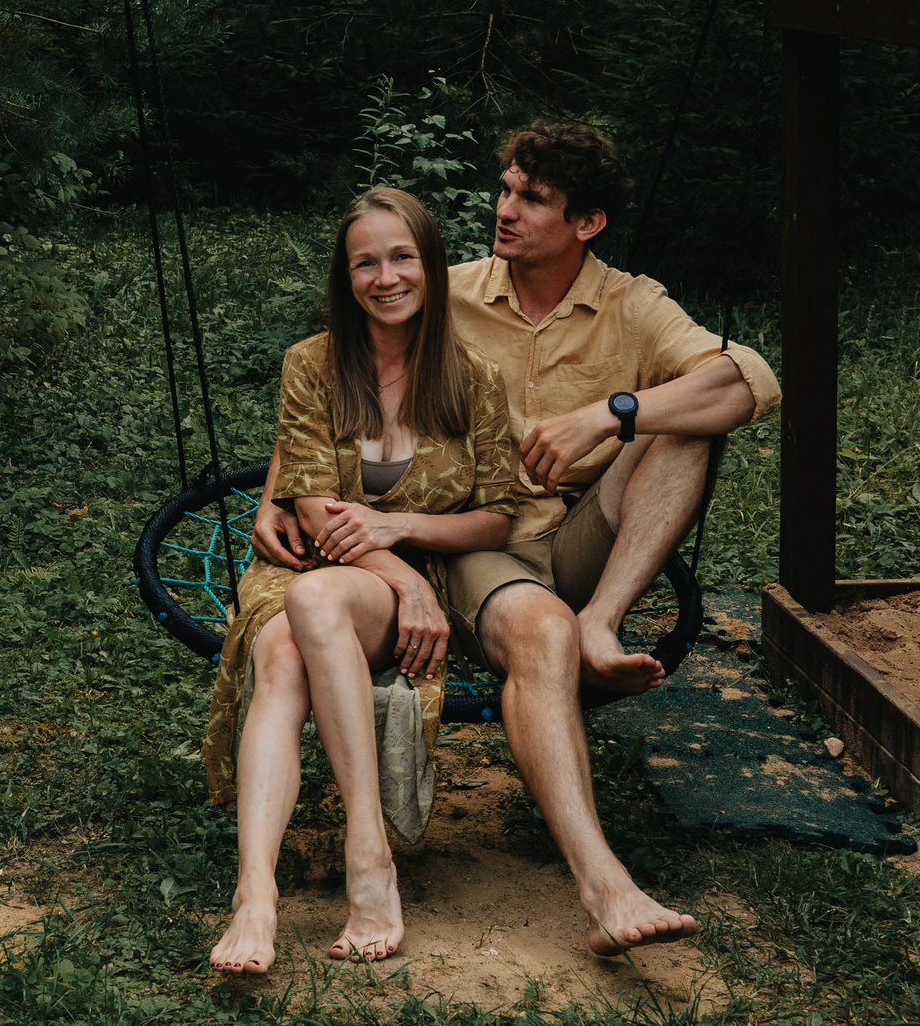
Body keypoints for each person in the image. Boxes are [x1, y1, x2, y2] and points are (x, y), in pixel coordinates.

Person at [254, 122, 779, 957]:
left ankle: (603, 618)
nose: (505, 210)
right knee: (540, 632)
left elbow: (750, 380)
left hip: (587, 533)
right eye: (505, 189)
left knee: (688, 420)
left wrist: (609, 411)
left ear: (587, 223)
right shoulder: (442, 286)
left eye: (533, 198)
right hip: (483, 536)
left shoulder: (634, 307)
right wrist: (281, 486)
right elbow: (339, 366)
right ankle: (604, 882)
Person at [205, 188, 517, 973]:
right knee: (285, 646)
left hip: (395, 574)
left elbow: (499, 518)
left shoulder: (474, 378)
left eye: (402, 256)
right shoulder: (312, 363)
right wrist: (401, 581)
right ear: (346, 278)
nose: (386, 277)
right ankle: (264, 892)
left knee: (313, 608)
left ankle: (356, 856)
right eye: (365, 262)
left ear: (433, 265)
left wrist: (402, 541)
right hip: (309, 568)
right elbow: (308, 499)